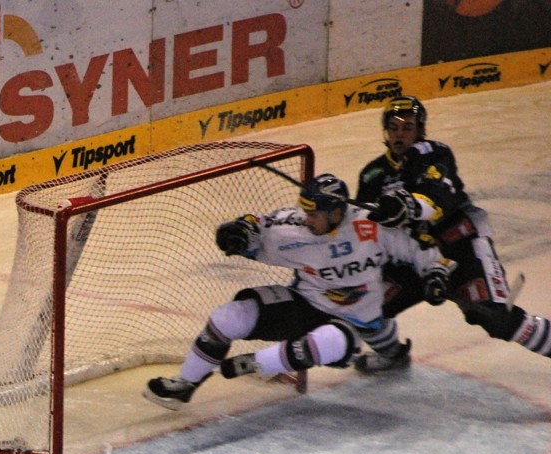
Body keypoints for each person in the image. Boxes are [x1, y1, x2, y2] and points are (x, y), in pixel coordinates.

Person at [144, 173, 453, 409]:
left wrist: (436, 273)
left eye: (315, 213)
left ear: (335, 212)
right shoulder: (296, 228)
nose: (308, 219)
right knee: (230, 316)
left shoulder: (372, 224)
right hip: (307, 304)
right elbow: (258, 227)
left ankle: (259, 363)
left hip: (351, 323)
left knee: (332, 340)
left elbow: (421, 250)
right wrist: (239, 233)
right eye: (306, 212)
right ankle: (185, 384)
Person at [354, 95, 551, 371]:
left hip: (461, 248)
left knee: (498, 320)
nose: (400, 134)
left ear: (420, 130)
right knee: (360, 303)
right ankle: (392, 354)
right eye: (394, 127)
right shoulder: (372, 175)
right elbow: (366, 228)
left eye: (407, 127)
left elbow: (439, 197)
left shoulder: (436, 154)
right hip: (411, 257)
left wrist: (407, 206)